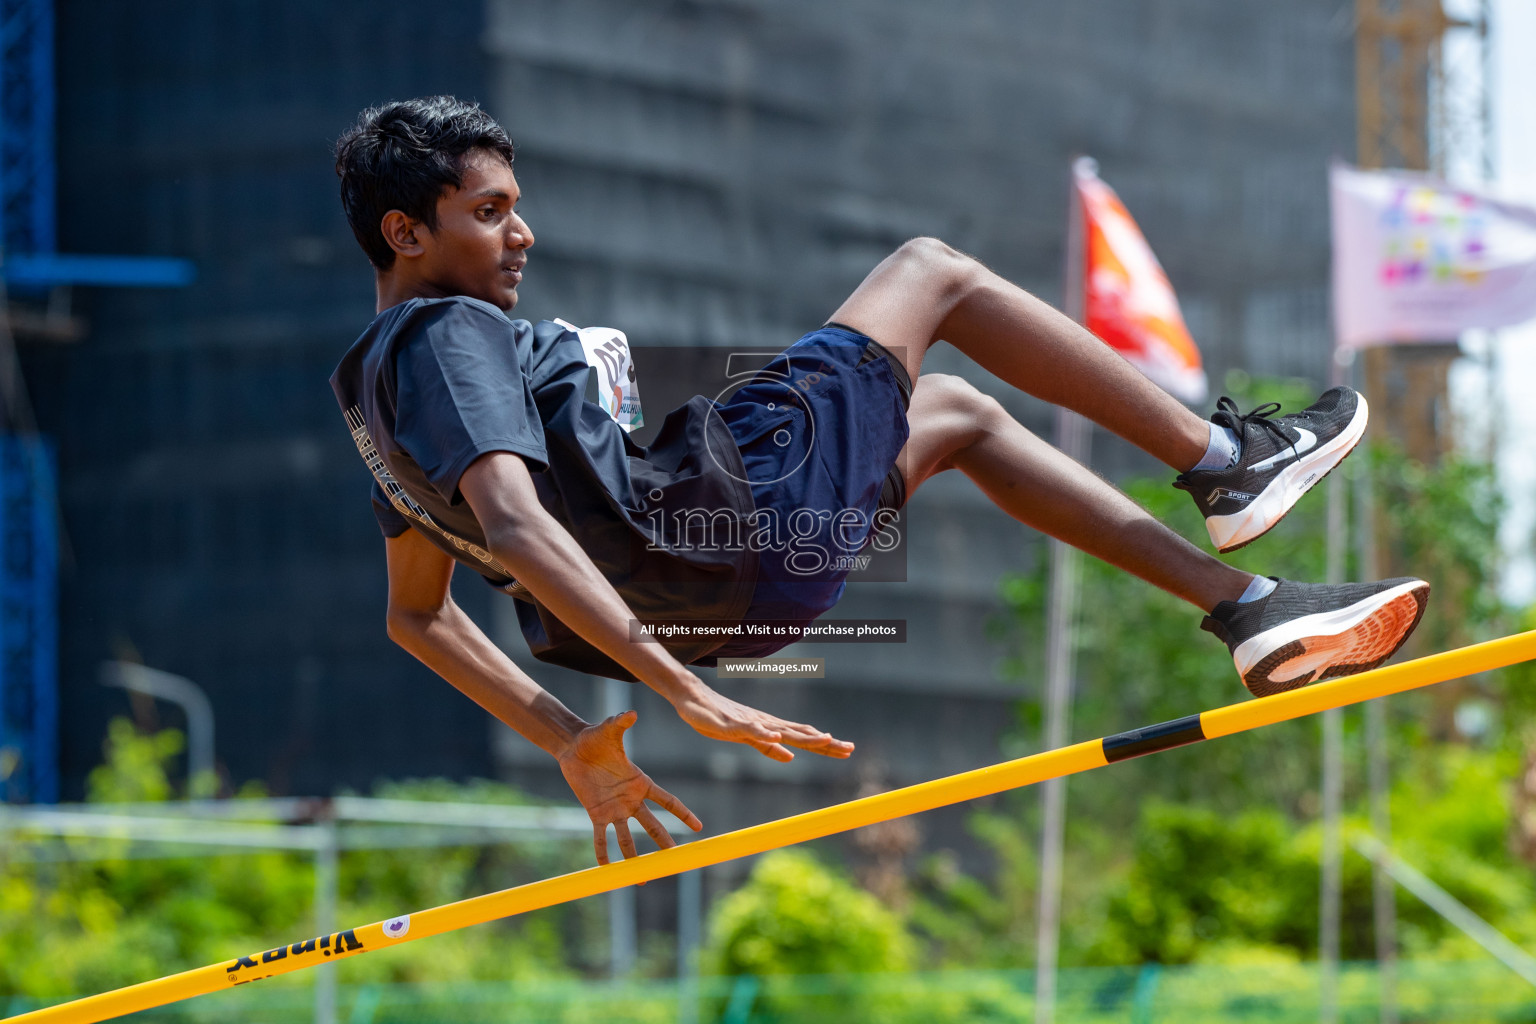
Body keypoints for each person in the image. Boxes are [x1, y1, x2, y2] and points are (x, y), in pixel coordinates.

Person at [329, 96, 1429, 863]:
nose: (522, 233)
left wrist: (572, 736)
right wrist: (673, 686)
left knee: (954, 414)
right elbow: (516, 524)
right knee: (932, 272)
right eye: (487, 214)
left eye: (516, 205)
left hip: (728, 595)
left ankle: (1249, 609)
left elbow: (417, 618)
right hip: (718, 531)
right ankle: (1230, 463)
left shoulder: (375, 403)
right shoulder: (445, 330)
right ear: (404, 232)